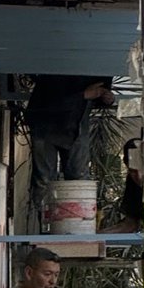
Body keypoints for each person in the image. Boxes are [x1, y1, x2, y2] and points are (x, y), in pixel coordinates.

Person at [25, 75, 114, 219]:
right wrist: (84, 95)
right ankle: (45, 222)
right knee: (45, 180)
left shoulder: (98, 68)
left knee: (78, 178)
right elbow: (48, 97)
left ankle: (76, 224)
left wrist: (106, 97)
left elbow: (99, 93)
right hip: (46, 123)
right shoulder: (56, 67)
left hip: (76, 125)